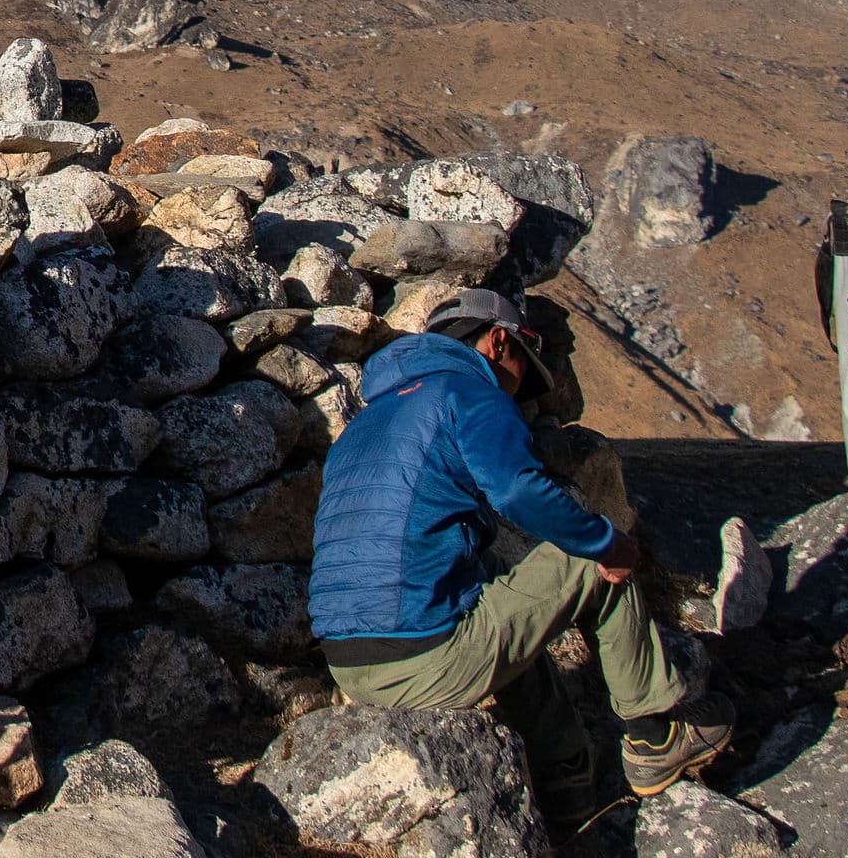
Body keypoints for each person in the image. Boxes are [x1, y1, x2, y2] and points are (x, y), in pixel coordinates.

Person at [309, 286, 731, 818]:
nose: (517, 396)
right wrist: (608, 540)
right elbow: (518, 491)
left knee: (494, 593)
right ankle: (654, 735)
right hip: (421, 658)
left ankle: (566, 779)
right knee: (591, 557)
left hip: (349, 663)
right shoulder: (468, 393)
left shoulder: (368, 422)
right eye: (522, 376)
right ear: (499, 342)